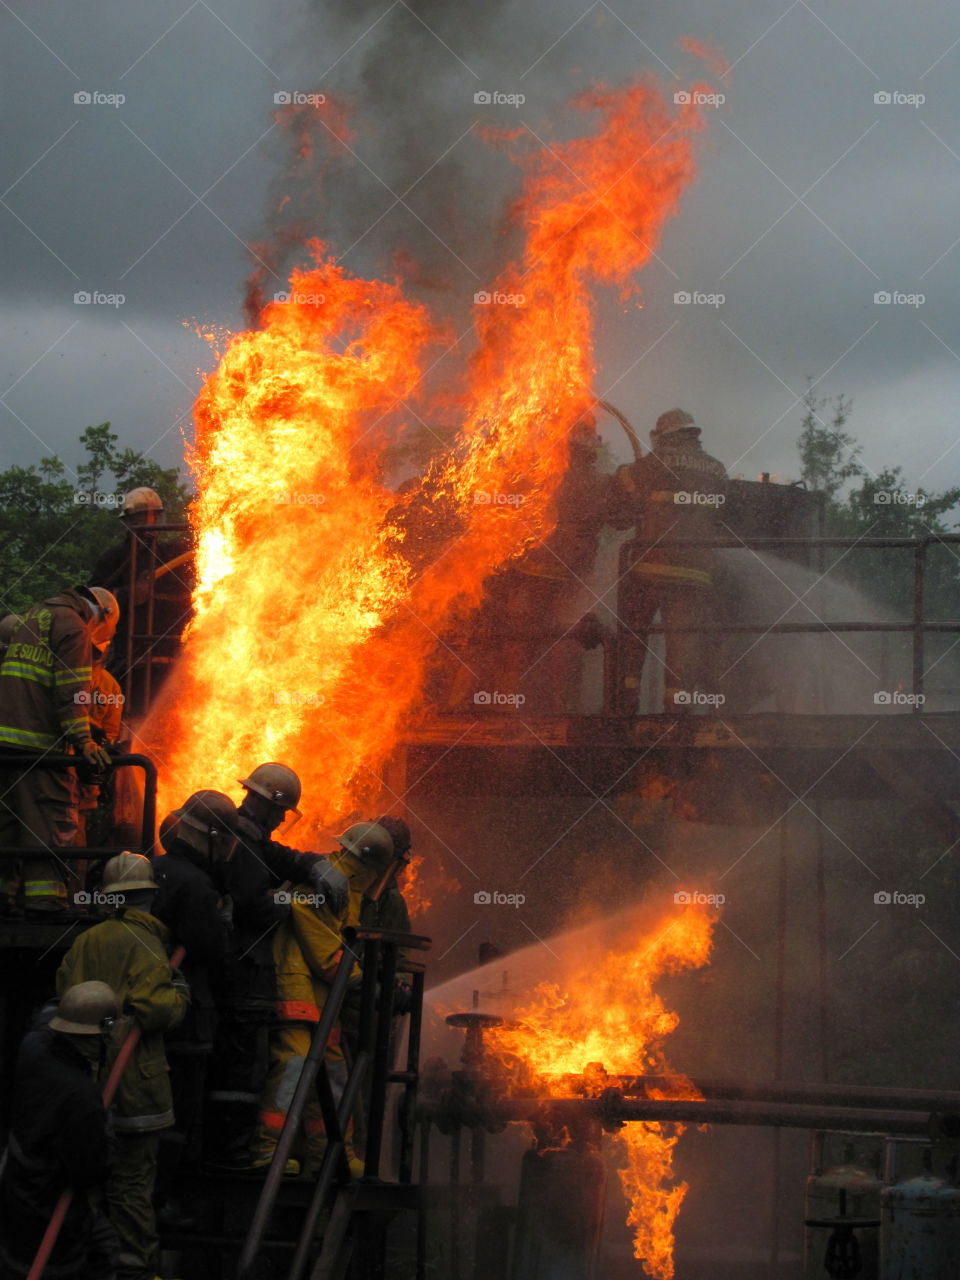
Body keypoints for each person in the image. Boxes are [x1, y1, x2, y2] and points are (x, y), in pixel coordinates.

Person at [204, 763, 348, 1169]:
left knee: (245, 1066)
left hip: (243, 972)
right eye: (282, 811)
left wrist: (313, 864)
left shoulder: (246, 835)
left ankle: (235, 1150)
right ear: (268, 805)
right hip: (241, 972)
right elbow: (254, 906)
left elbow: (277, 856)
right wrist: (294, 903)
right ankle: (231, 1155)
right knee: (240, 1070)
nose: (284, 819)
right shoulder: (241, 844)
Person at [56, 852, 189, 1280]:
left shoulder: (86, 940)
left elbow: (65, 992)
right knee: (133, 1184)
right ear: (148, 896)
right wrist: (181, 991)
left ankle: (97, 1265)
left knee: (91, 1182)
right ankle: (135, 1269)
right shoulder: (147, 943)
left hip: (87, 1080)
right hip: (135, 1085)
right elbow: (155, 1009)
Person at [251, 821, 400, 1176]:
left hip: (322, 1001)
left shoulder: (346, 888)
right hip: (298, 990)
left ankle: (334, 1156)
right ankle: (268, 1150)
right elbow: (326, 955)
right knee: (295, 1066)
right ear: (370, 866)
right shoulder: (324, 884)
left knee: (333, 1072)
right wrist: (366, 982)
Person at [0, 585, 118, 915]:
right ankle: (46, 903)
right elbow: (72, 694)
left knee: (7, 825)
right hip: (39, 749)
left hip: (6, 745)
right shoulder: (73, 627)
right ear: (102, 617)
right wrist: (84, 742)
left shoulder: (35, 616)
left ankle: (4, 899)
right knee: (49, 823)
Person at [606, 408, 728, 712]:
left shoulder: (657, 462)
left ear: (667, 436)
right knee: (682, 647)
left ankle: (626, 706)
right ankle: (676, 717)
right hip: (695, 575)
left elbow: (623, 482)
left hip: (650, 569)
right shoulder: (718, 469)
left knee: (633, 639)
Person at [0, 981, 120, 1280]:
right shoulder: (81, 1098)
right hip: (50, 1209)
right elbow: (89, 1170)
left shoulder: (34, 1047)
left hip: (17, 1191)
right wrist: (108, 1136)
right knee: (89, 1261)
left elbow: (47, 1015)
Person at [152, 790, 239, 1194]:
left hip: (152, 1009)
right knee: (181, 1114)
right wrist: (223, 921)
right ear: (210, 836)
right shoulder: (197, 885)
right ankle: (171, 1194)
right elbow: (209, 949)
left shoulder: (157, 867)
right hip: (186, 1019)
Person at [89, 486, 194, 716]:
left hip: (173, 658)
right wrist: (129, 595)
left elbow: (202, 548)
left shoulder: (171, 554)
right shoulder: (114, 559)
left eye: (154, 516)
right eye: (141, 517)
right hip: (131, 658)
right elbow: (92, 603)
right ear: (127, 521)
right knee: (130, 718)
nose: (149, 522)